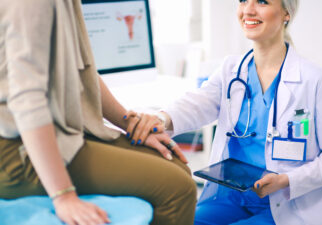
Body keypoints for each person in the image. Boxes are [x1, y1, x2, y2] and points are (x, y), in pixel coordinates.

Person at [138, 0, 322, 224]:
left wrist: (286, 180)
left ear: (286, 14)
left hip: (287, 202)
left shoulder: (317, 81)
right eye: (243, 0)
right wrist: (161, 119)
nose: (248, 10)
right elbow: (197, 103)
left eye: (262, 1)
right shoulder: (231, 69)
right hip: (231, 197)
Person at [0, 0, 197, 225]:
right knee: (178, 189)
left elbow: (83, 71)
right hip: (17, 151)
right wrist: (63, 196)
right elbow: (27, 100)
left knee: (177, 166)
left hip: (62, 132)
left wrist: (131, 124)